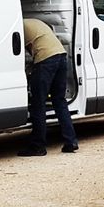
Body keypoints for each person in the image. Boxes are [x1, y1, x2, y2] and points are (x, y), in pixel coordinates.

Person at [18, 18, 79, 156]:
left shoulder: (18, 28)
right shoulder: (33, 22)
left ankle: (38, 146)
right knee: (59, 101)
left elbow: (19, 51)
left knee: (38, 104)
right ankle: (71, 141)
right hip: (61, 56)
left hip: (46, 60)